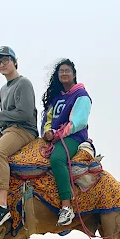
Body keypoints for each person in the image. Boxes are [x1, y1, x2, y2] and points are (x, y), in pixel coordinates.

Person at [0, 46, 39, 228]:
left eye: (5, 60)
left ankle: (2, 205)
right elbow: (7, 117)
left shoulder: (23, 83)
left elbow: (24, 114)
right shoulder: (3, 89)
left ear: (15, 62)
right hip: (8, 130)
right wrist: (2, 120)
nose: (2, 64)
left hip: (24, 130)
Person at [40, 59, 92, 226]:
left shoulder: (81, 96)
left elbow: (78, 122)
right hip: (53, 138)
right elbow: (47, 118)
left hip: (73, 138)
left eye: (67, 71)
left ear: (74, 74)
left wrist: (56, 134)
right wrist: (46, 132)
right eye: (61, 71)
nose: (64, 74)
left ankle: (66, 207)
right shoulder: (56, 98)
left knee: (57, 159)